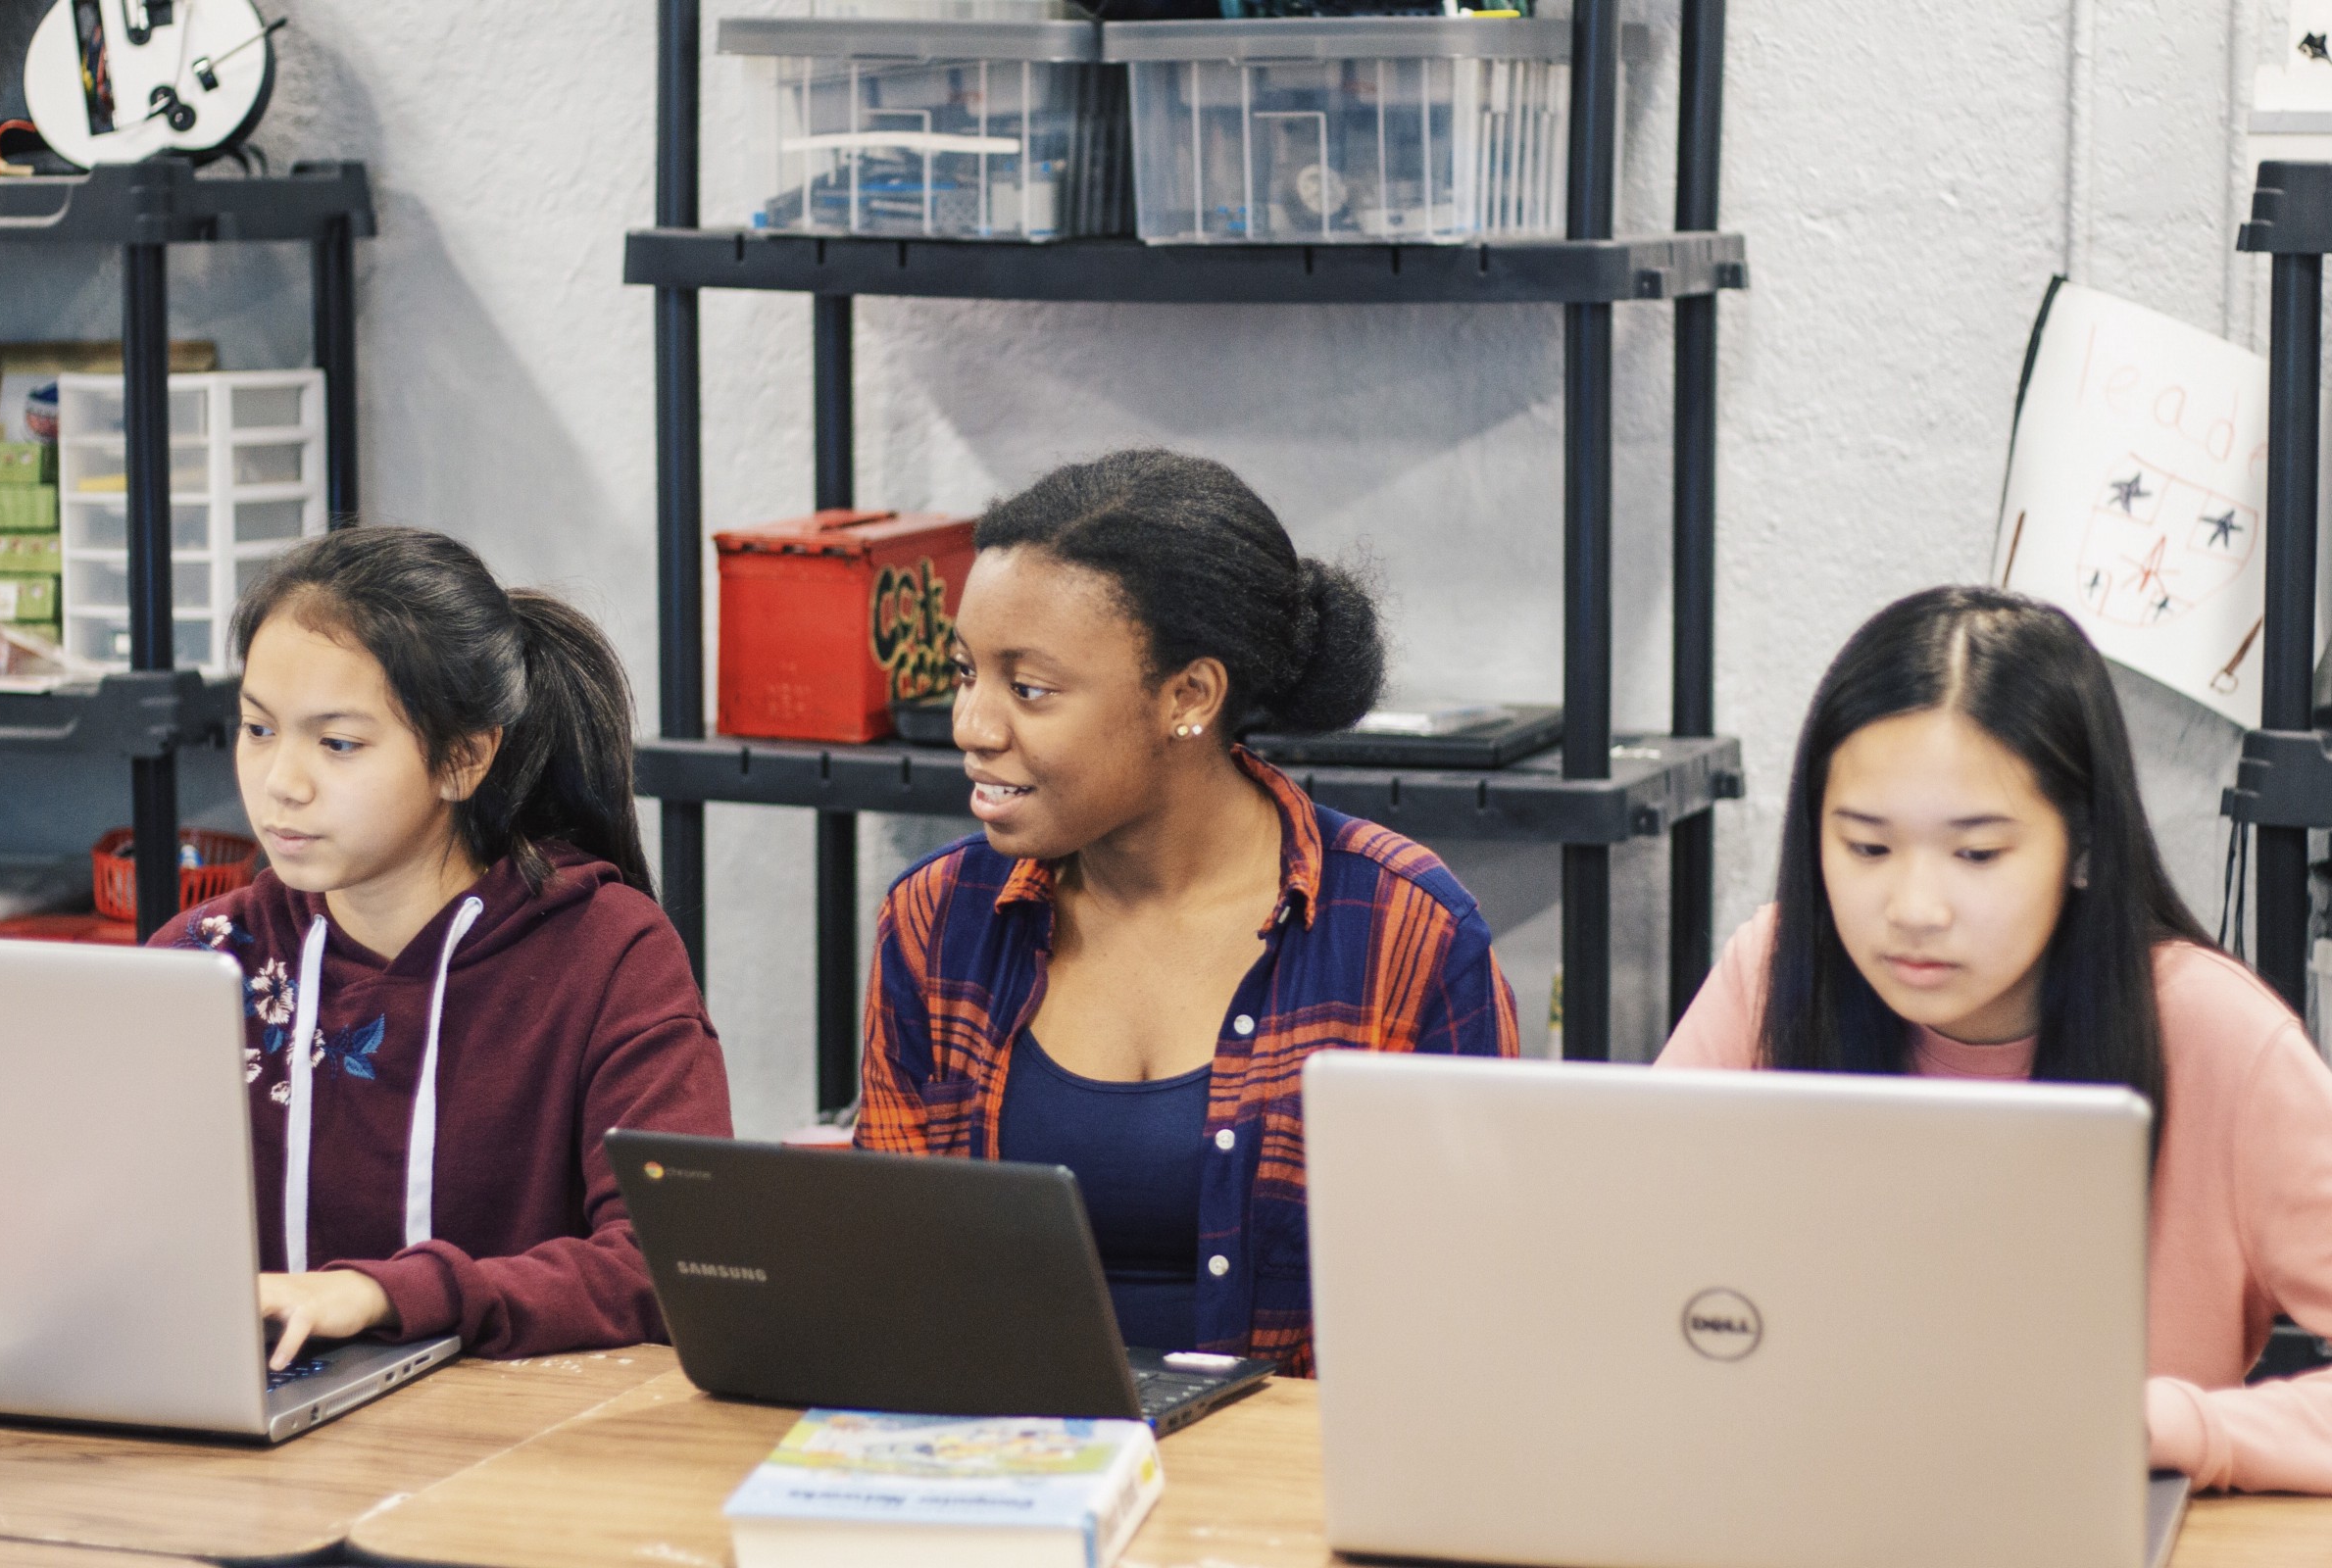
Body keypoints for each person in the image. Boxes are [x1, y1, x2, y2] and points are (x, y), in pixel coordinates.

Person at [856, 450, 1517, 1376]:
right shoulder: (938, 920)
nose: (973, 724)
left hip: (1288, 1489)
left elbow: (1472, 1303)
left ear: (1188, 698)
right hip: (1001, 1465)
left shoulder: (1406, 932)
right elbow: (890, 1271)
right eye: (967, 673)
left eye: (1029, 688)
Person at [1661, 584, 2332, 1494]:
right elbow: (1606, 1277)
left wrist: (2174, 1423)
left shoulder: (2219, 1039)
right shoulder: (1776, 976)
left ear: (2084, 846)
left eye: (1977, 855)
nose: (1913, 910)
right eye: (1865, 848)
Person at [149, 526, 733, 1368]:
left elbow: (672, 1265)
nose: (282, 781)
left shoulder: (607, 953)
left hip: (515, 1455)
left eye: (338, 742)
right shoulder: (204, 960)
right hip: (248, 1439)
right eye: (258, 728)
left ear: (463, 758)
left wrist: (385, 1295)